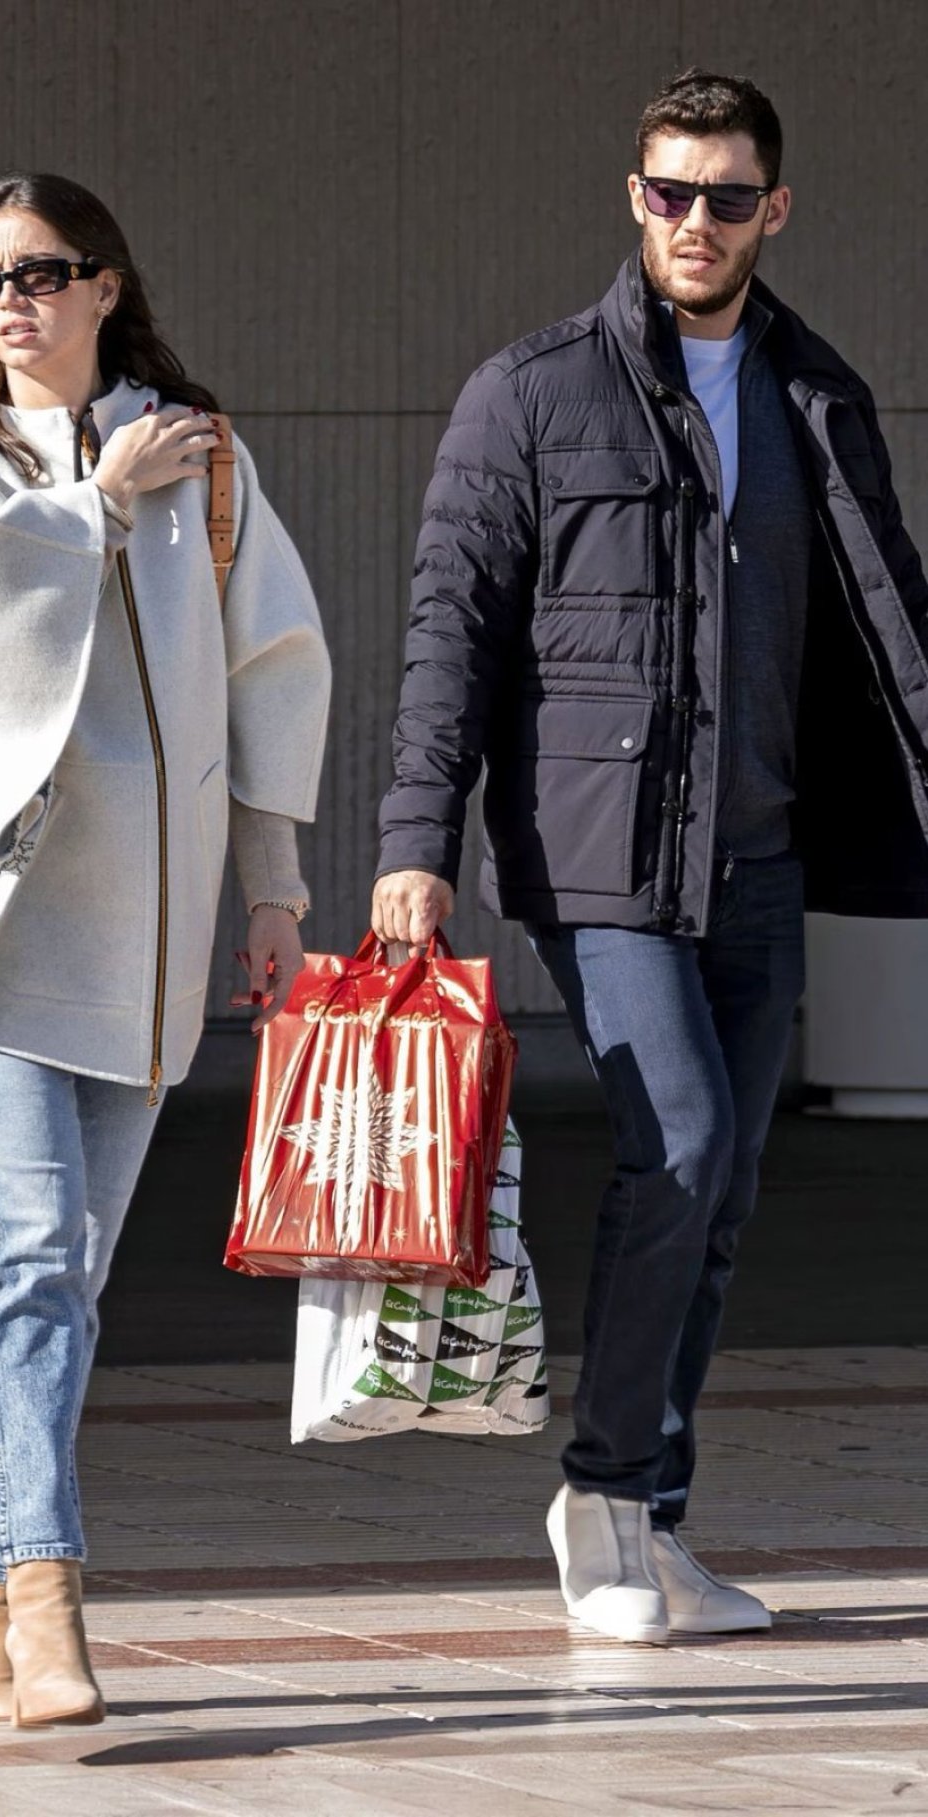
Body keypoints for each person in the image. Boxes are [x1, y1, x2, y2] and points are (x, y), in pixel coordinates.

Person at [372, 69, 928, 1645]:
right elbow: (447, 634)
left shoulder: (813, 387)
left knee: (729, 1184)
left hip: (754, 849)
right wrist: (414, 842)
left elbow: (889, 630)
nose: (696, 220)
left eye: (727, 195)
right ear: (634, 197)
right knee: (674, 1142)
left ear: (775, 209)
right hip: (600, 852)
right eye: (670, 191)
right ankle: (604, 1495)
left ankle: (654, 1515)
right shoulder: (531, 392)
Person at [0, 172, 330, 1722]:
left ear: (107, 284)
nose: (14, 303)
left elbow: (270, 663)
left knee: (64, 1273)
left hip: (150, 934)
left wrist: (273, 884)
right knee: (36, 1247)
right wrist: (87, 507)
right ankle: (47, 1593)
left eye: (44, 273)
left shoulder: (200, 456)